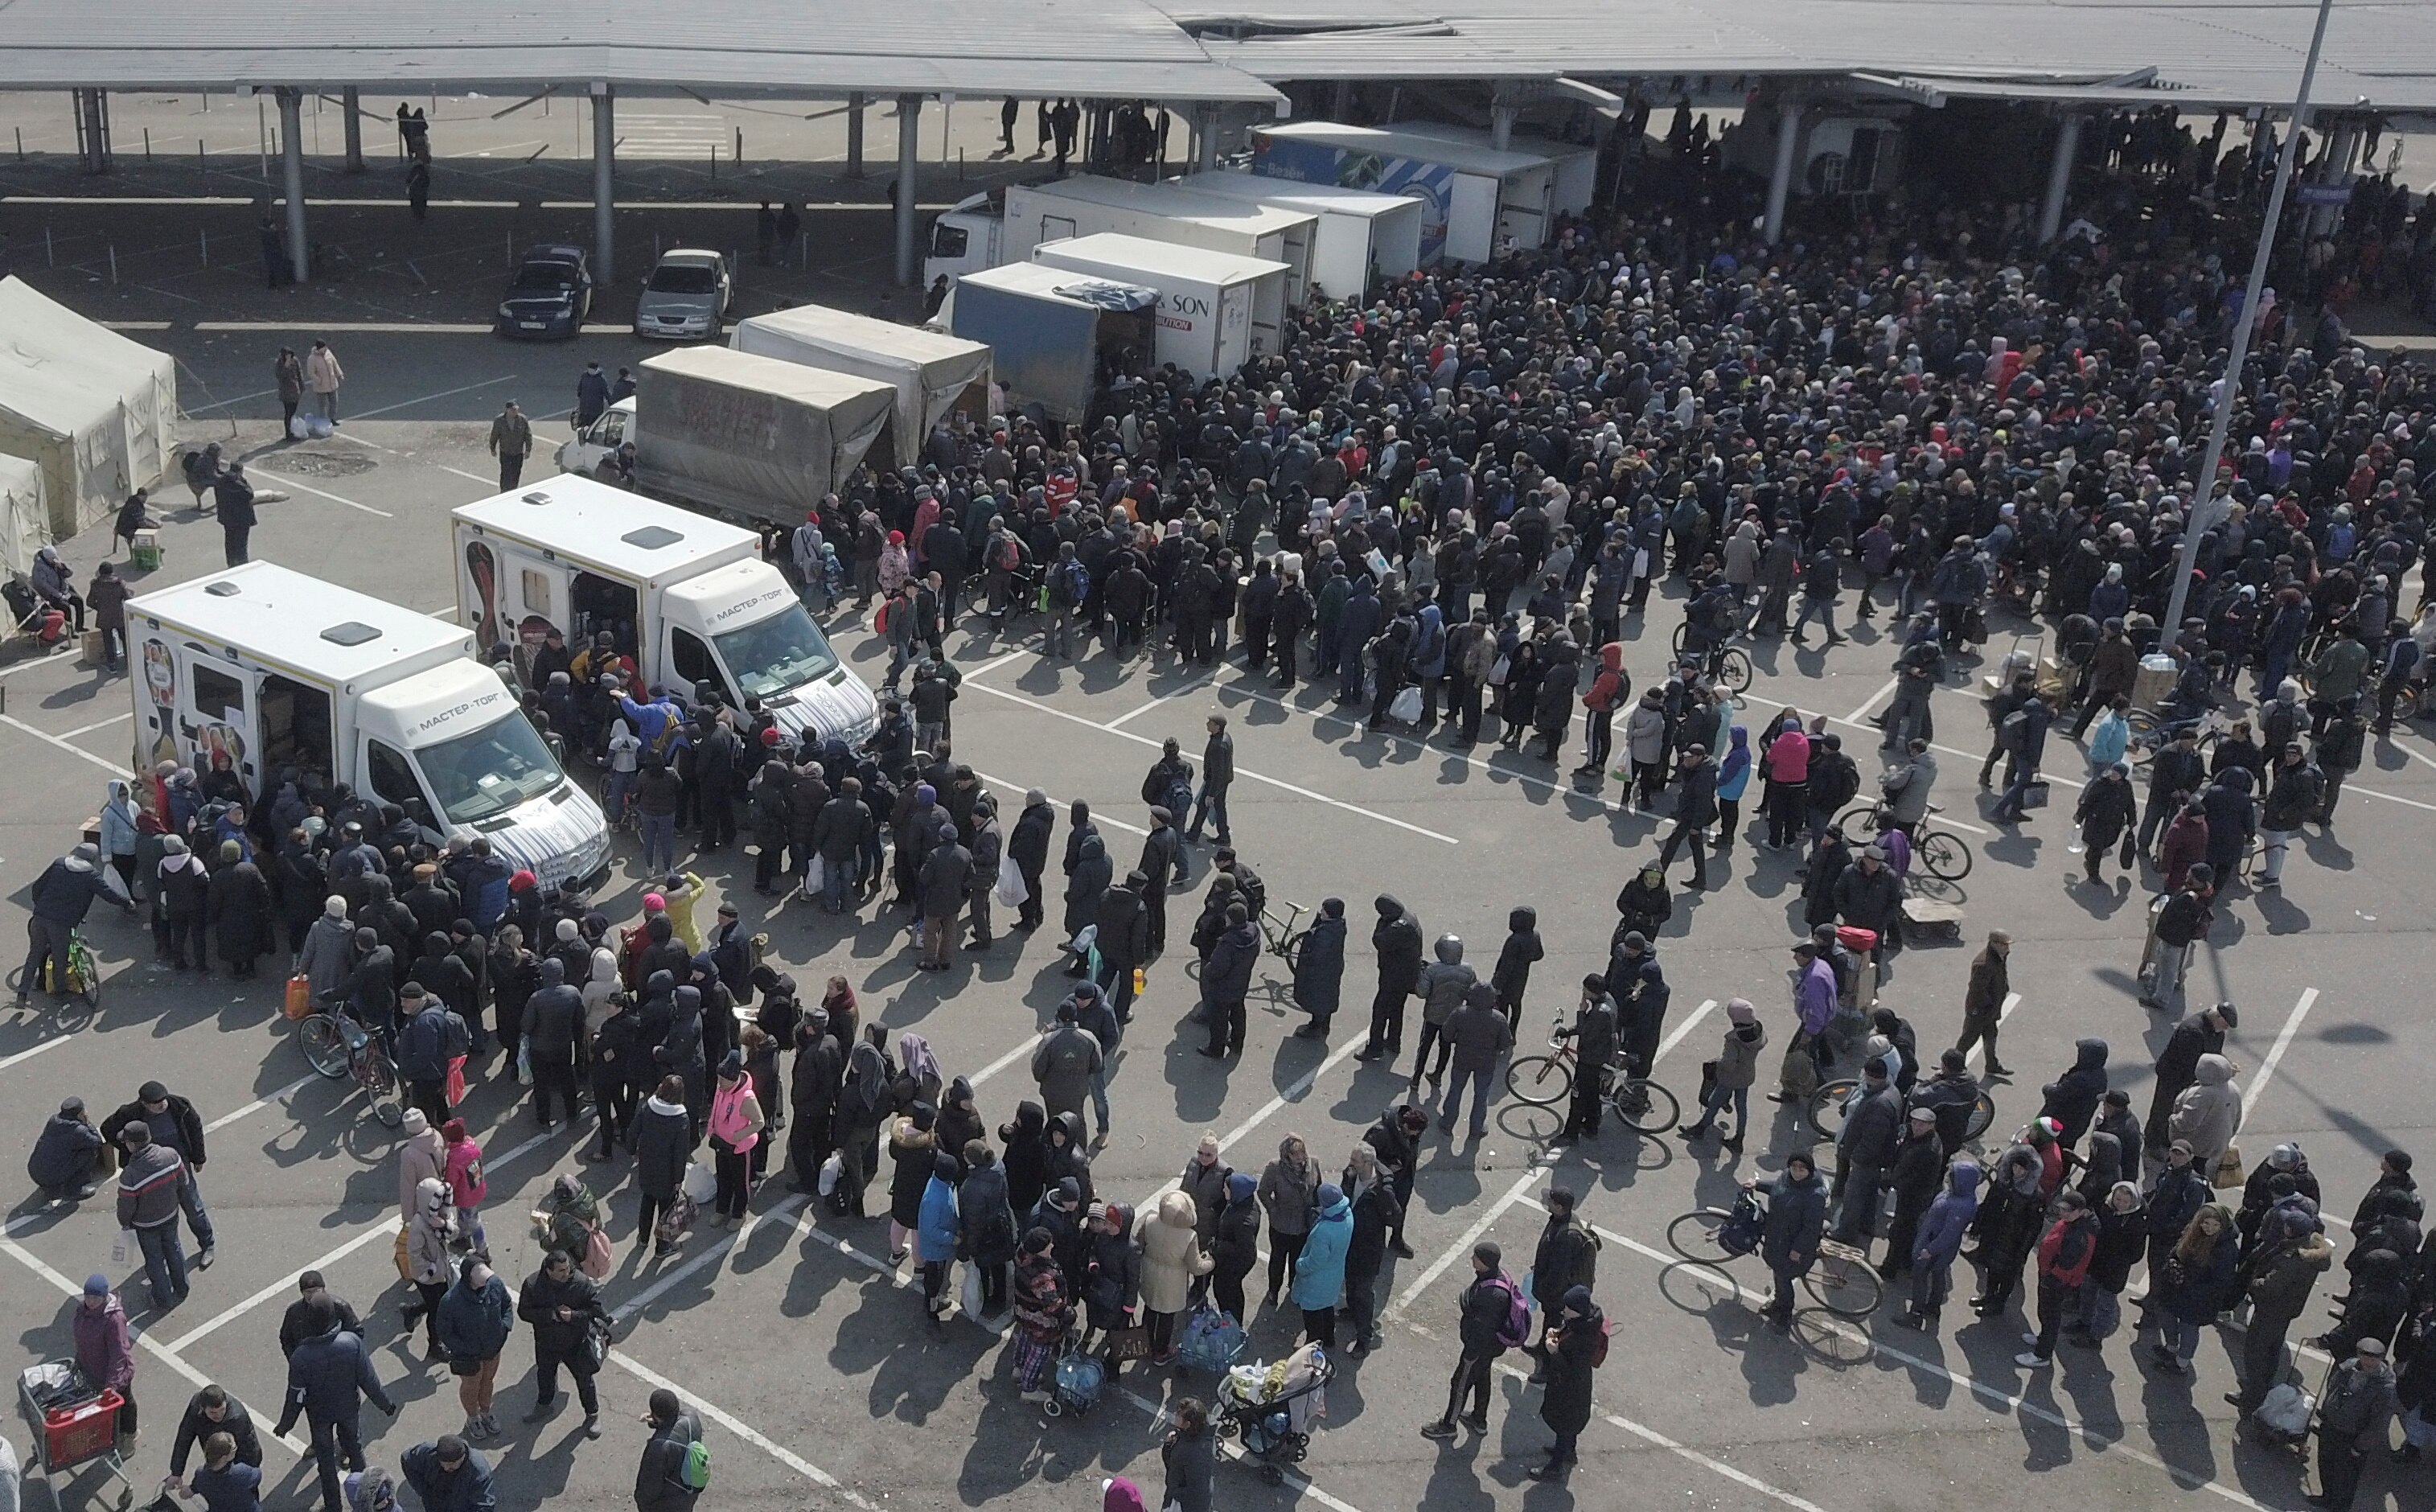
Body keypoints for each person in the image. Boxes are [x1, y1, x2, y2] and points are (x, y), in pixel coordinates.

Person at [275, 1296, 400, 1512]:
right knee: (354, 1448)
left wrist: (286, 1425)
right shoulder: (351, 1343)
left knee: (325, 1460)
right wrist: (385, 1404)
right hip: (348, 1409)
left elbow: (296, 1396)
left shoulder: (301, 1357)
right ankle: (365, 1502)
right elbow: (369, 1380)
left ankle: (334, 1506)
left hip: (319, 1416)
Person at [1420, 1242, 1522, 1440]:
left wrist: (1470, 1353)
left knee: (1460, 1383)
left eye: (1475, 1257)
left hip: (1479, 1349)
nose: (1472, 1259)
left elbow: (1482, 1330)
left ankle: (1449, 1424)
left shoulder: (1492, 1296)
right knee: (1482, 1378)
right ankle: (1479, 1418)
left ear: (1484, 1263)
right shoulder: (1498, 1278)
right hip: (1491, 1347)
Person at [15, 841, 132, 1012]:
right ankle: (60, 992)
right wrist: (127, 902)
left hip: (40, 917)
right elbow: (109, 894)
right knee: (60, 957)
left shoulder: (59, 864)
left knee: (34, 954)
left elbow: (38, 886)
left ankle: (22, 994)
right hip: (62, 924)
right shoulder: (91, 875)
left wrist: (40, 906)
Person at [517, 1249, 606, 1437]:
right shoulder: (533, 1284)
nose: (566, 1273)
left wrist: (573, 1316)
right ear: (549, 1271)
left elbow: (596, 1310)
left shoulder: (580, 1283)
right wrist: (551, 1315)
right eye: (561, 1270)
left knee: (585, 1380)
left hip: (576, 1342)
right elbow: (524, 1312)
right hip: (546, 1342)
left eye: (568, 1268)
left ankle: (592, 1414)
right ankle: (544, 1404)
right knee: (545, 1375)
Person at [2313, 1339, 2400, 1510]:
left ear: (2381, 1358)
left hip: (2353, 1437)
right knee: (2326, 1465)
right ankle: (2327, 1498)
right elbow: (2333, 1388)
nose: (2368, 1362)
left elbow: (2379, 1423)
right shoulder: (2348, 1367)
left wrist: (2360, 1446)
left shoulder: (2385, 1387)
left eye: (2374, 1358)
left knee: (2346, 1478)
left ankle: (2339, 1507)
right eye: (2364, 1356)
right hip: (2332, 1426)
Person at [435, 1256, 514, 1443]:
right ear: (468, 1278)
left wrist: (504, 1328)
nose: (486, 1281)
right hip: (469, 1358)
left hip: (493, 1351)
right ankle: (473, 1418)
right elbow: (445, 1332)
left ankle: (485, 1411)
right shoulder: (451, 1301)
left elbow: (506, 1306)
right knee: (471, 1387)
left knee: (488, 1381)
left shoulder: (494, 1285)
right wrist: (465, 1349)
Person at [2018, 1189, 2098, 1368]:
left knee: (2051, 1316)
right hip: (2052, 1275)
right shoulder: (2076, 1223)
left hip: (2058, 1280)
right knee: (2046, 1313)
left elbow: (2067, 1263)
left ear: (2080, 1211)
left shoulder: (2080, 1235)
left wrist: (2052, 1277)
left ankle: (2042, 1355)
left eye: (2068, 1210)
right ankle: (2042, 1339)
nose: (2063, 1213)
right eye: (2062, 1209)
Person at [1531, 1286, 1605, 1481]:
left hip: (1571, 1391)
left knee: (1565, 1426)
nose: (1564, 1311)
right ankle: (1568, 1453)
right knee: (1568, 1428)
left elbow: (1573, 1370)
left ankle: (1554, 1468)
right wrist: (1556, 1335)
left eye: (1568, 1308)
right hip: (1573, 1390)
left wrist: (1554, 1352)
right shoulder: (1583, 1323)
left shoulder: (1583, 1338)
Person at [115, 1123, 191, 1310]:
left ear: (132, 1145)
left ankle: (163, 1298)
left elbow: (126, 1206)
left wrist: (125, 1224)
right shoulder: (171, 1155)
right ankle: (182, 1288)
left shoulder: (130, 1175)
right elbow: (184, 1182)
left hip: (146, 1225)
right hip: (171, 1215)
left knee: (154, 1259)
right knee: (174, 1248)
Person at [1678, 997, 1764, 1147]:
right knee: (1741, 1106)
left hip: (1730, 1078)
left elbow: (1728, 1063)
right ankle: (1739, 1138)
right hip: (1747, 1074)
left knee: (1714, 1101)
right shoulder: (1758, 1031)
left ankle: (1701, 1127)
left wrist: (1718, 1065)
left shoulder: (1734, 1040)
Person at [1760, 1150, 1830, 1328]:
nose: (1797, 1173)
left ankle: (1785, 1313)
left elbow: (1811, 1229)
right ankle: (1778, 1304)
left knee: (1783, 1279)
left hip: (1793, 1248)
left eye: (1802, 1169)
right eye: (1794, 1168)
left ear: (1810, 1171)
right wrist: (1757, 1184)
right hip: (1778, 1240)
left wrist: (1798, 1250)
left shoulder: (1815, 1196)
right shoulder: (1786, 1178)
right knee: (1778, 1274)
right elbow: (1777, 1189)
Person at [73, 1276, 136, 1444]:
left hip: (116, 1374)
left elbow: (118, 1354)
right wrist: (79, 1361)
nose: (91, 1301)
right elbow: (80, 1339)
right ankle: (112, 1434)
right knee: (105, 1409)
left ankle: (129, 1436)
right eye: (88, 1297)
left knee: (124, 1405)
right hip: (94, 1369)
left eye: (95, 1298)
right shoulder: (82, 1311)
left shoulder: (114, 1320)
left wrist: (112, 1385)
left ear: (104, 1296)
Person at [633, 1388, 704, 1512]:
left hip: (668, 1503)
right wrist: (655, 1421)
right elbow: (673, 1426)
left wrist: (642, 1504)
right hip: (689, 1492)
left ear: (657, 1416)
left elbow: (649, 1488)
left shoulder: (659, 1448)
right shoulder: (692, 1418)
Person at [1954, 931, 2011, 1075]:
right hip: (1981, 1010)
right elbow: (1977, 991)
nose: (2007, 948)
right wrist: (1986, 1007)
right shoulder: (1983, 964)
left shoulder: (1999, 957)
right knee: (1968, 1039)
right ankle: (1953, 1067)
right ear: (1994, 943)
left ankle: (1992, 1065)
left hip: (1991, 1009)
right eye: (2004, 945)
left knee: (1991, 1036)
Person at [1289, 896, 1347, 1039]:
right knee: (1327, 998)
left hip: (1320, 972)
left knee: (1317, 999)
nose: (1321, 911)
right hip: (1332, 968)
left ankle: (1315, 1028)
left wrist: (1302, 958)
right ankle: (1324, 1026)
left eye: (1324, 910)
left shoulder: (1325, 933)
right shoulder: (1338, 926)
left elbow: (1316, 956)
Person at [29, 1095, 106, 1202]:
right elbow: (96, 1141)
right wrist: (86, 1122)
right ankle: (73, 1190)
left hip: (35, 1171)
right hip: (51, 1177)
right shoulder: (79, 1131)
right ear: (80, 1114)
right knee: (91, 1152)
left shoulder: (53, 1120)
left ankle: (50, 1185)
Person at [400, 1435, 495, 1512]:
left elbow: (485, 1507)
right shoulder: (429, 1452)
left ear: (462, 1457)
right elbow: (407, 1460)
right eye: (443, 1463)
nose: (446, 1468)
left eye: (451, 1464)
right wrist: (425, 1491)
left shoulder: (479, 1472)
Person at [1159, 1397, 1216, 1512]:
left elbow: (1171, 1466)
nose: (1175, 1415)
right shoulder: (1207, 1438)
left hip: (1185, 1504)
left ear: (1188, 1424)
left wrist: (1168, 1445)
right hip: (1201, 1500)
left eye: (1178, 1415)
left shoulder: (1185, 1450)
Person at [187, 1428, 263, 1512]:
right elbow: (257, 1475)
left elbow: (196, 1487)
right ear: (224, 1457)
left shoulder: (201, 1474)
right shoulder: (240, 1472)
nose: (236, 1448)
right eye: (234, 1449)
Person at [1185, 715, 1233, 846]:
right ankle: (1224, 836)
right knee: (1219, 807)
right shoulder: (1224, 738)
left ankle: (1193, 835)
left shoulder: (1218, 745)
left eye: (1210, 723)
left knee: (1203, 806)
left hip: (1215, 782)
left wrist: (1211, 793)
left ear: (1217, 726)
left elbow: (1218, 771)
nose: (1207, 724)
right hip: (1223, 780)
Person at [488, 401, 532, 494]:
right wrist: (492, 448)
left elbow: (527, 435)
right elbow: (494, 435)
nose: (515, 412)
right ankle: (504, 491)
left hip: (518, 452)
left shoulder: (522, 420)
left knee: (516, 473)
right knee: (506, 473)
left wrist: (528, 450)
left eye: (516, 410)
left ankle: (513, 491)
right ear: (507, 410)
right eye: (513, 410)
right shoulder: (500, 421)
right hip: (505, 452)